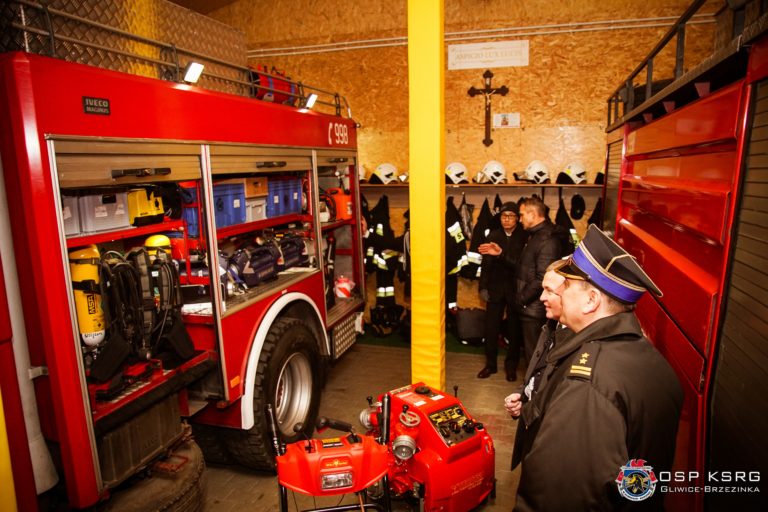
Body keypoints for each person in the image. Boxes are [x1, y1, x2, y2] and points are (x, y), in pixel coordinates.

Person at [507, 225, 683, 511]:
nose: (559, 295)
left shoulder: (587, 384)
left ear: (591, 301)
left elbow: (559, 496)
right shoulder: (651, 360)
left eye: (568, 288)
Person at [476, 202, 528, 381]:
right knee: (491, 328)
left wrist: (501, 256)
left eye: (511, 216)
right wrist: (482, 287)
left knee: (514, 329)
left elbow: (521, 266)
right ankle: (490, 365)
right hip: (495, 289)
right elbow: (486, 265)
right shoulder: (493, 235)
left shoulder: (524, 236)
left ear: (517, 218)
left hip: (516, 290)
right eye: (503, 216)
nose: (506, 219)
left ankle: (511, 366)